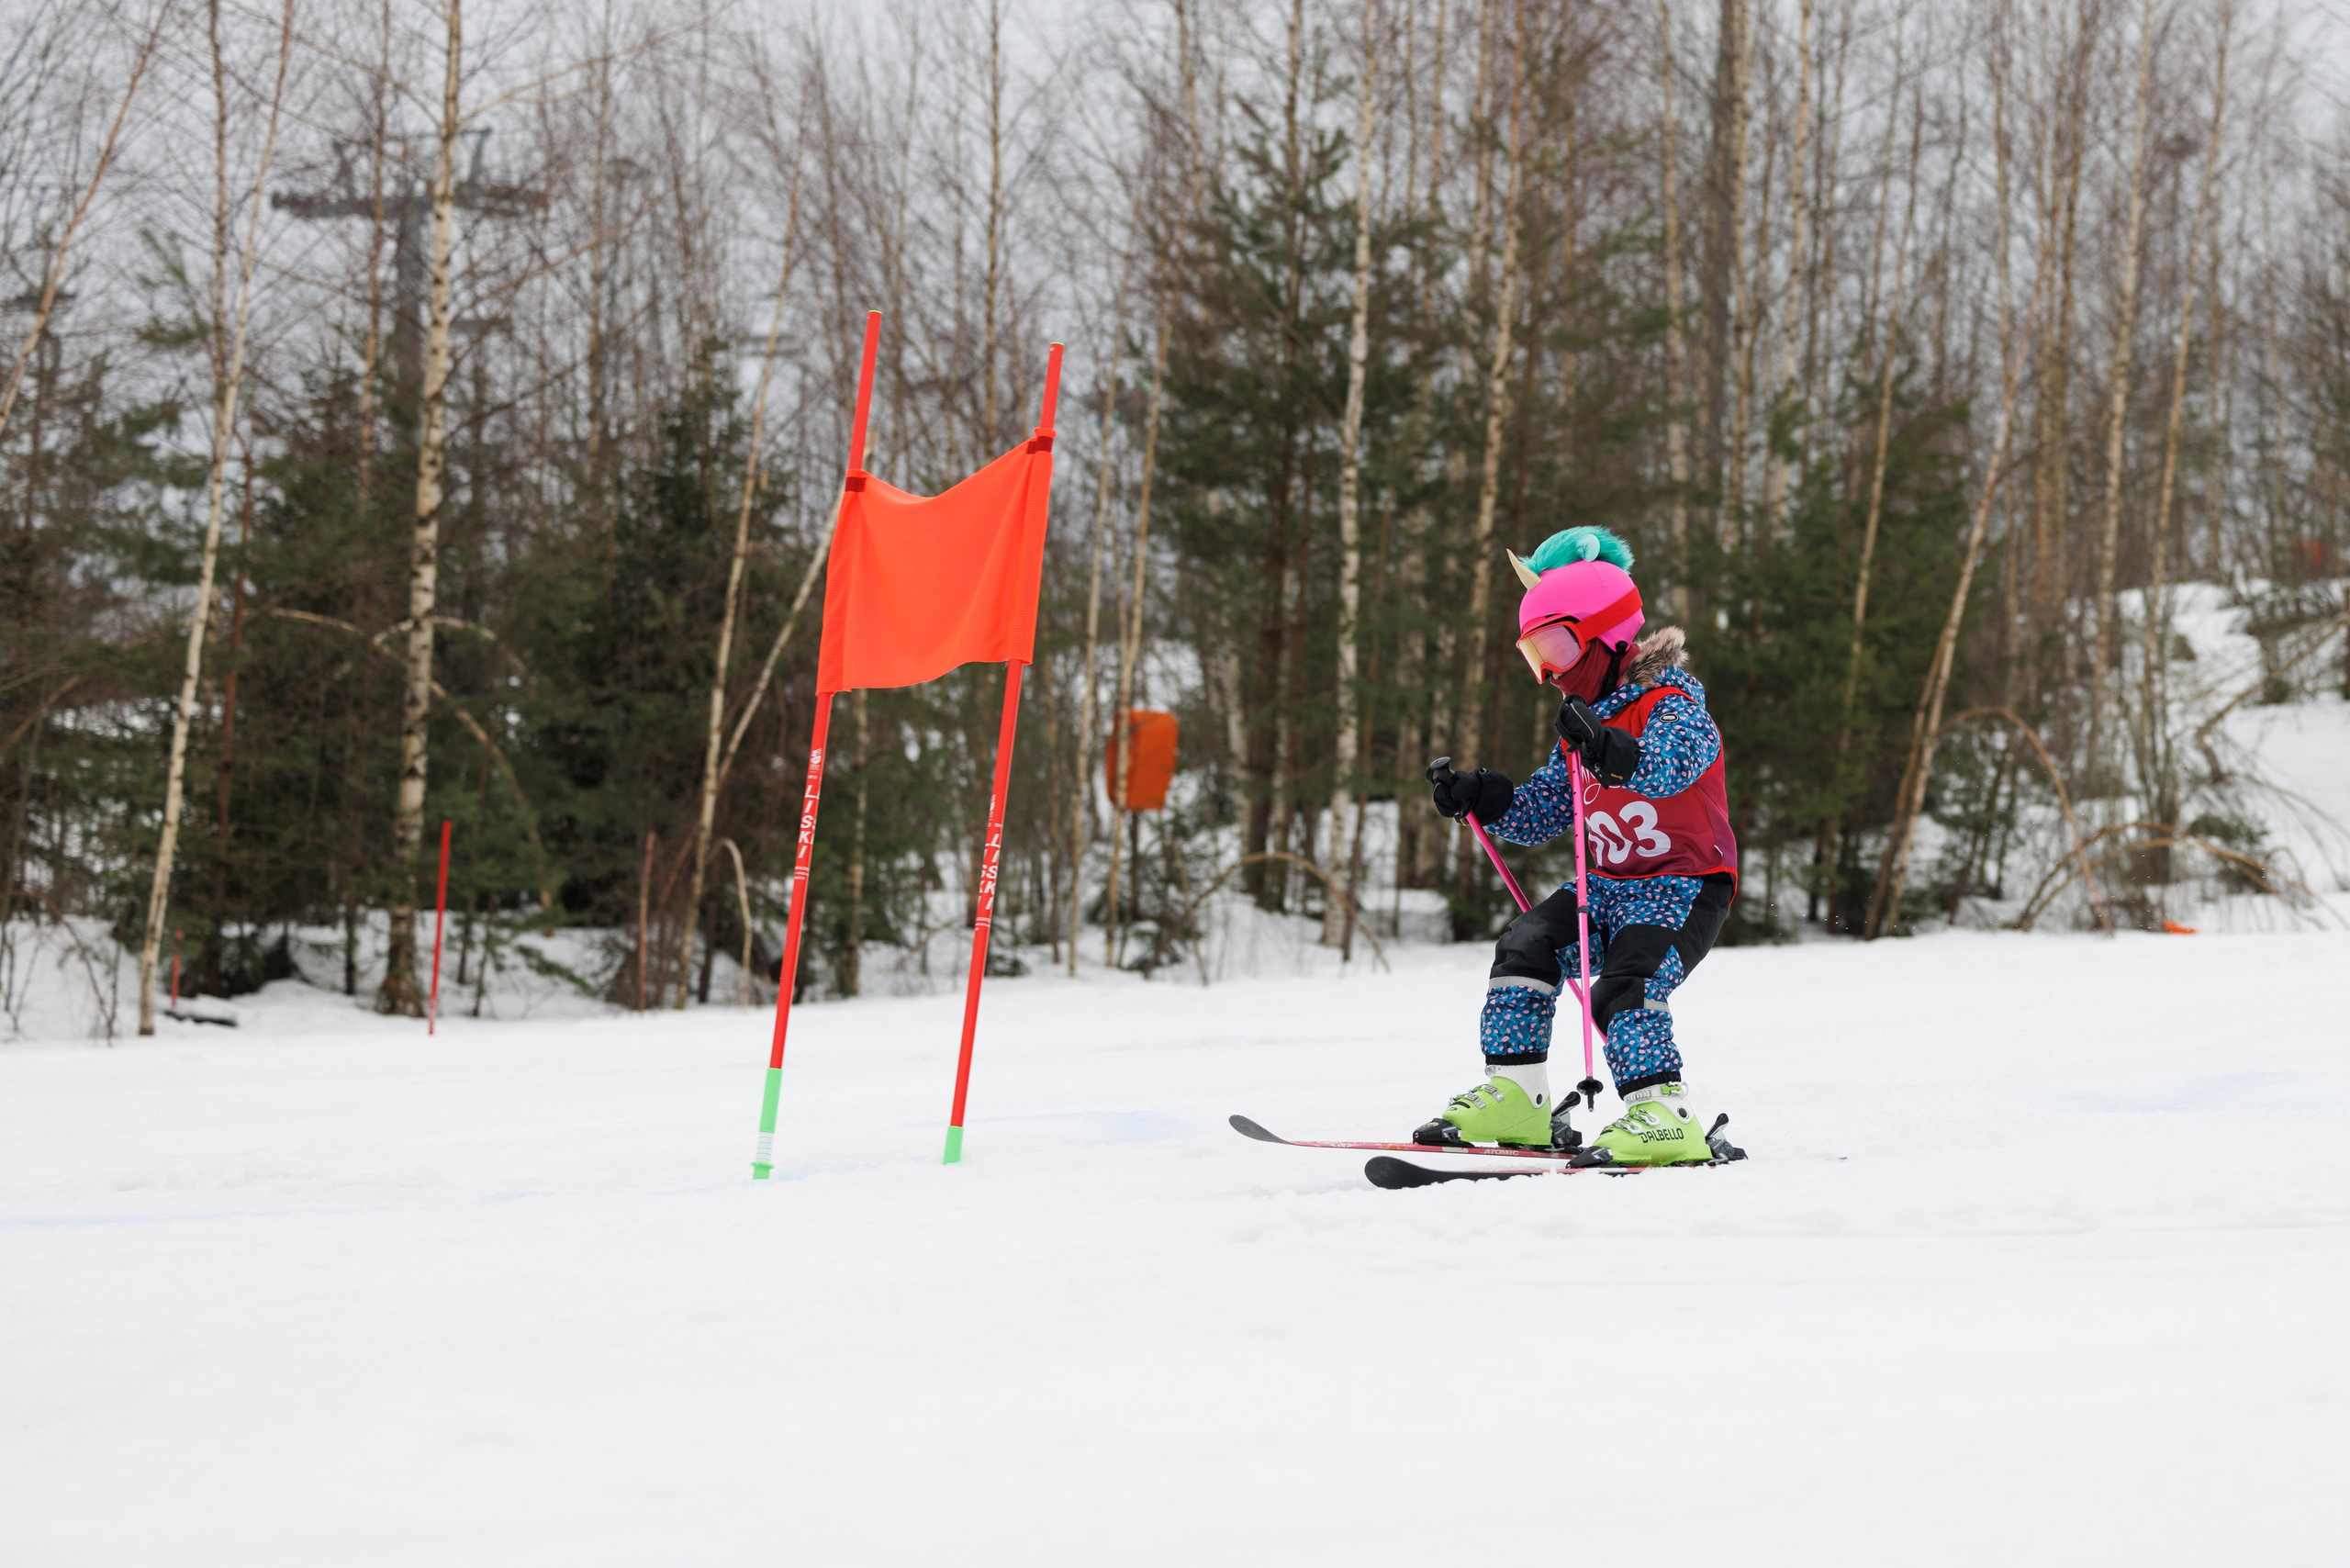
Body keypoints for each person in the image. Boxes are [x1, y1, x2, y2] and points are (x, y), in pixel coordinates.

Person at [1420, 526, 1739, 1165]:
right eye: (1536, 653)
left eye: (1559, 647)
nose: (1550, 673)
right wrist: (1485, 795)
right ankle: (1519, 1096)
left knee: (1625, 986)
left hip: (1682, 885)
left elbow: (1671, 765)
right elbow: (1544, 812)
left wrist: (1614, 751)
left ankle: (1664, 1113)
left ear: (1610, 636)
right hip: (1605, 889)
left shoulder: (1674, 705)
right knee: (1523, 950)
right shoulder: (1579, 728)